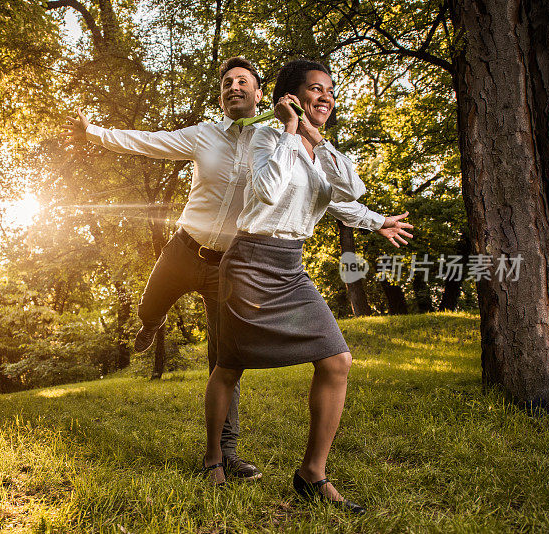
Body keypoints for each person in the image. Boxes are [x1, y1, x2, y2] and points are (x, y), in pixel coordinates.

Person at [63, 57, 413, 483]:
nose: (233, 87)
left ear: (261, 93)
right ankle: (150, 323)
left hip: (230, 263)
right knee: (149, 306)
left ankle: (224, 454)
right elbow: (148, 141)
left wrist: (376, 219)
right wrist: (94, 133)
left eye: (242, 81)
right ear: (221, 95)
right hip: (186, 248)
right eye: (226, 82)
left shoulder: (275, 138)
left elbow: (325, 193)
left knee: (223, 359)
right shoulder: (207, 136)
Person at [202, 59, 379, 515]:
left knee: (337, 359)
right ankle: (213, 457)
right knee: (229, 365)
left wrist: (379, 222)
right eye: (315, 90)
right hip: (249, 262)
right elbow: (267, 191)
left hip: (290, 267)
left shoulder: (321, 149)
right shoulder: (264, 136)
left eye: (330, 92)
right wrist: (287, 132)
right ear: (292, 96)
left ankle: (311, 474)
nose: (326, 98)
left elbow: (349, 193)